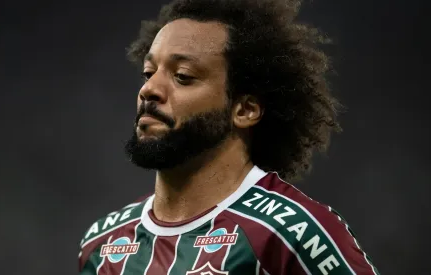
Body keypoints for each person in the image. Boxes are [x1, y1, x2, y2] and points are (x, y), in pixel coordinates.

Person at [78, 0, 380, 274]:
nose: (149, 90)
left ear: (245, 110)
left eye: (182, 76)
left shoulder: (293, 234)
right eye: (149, 72)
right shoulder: (102, 246)